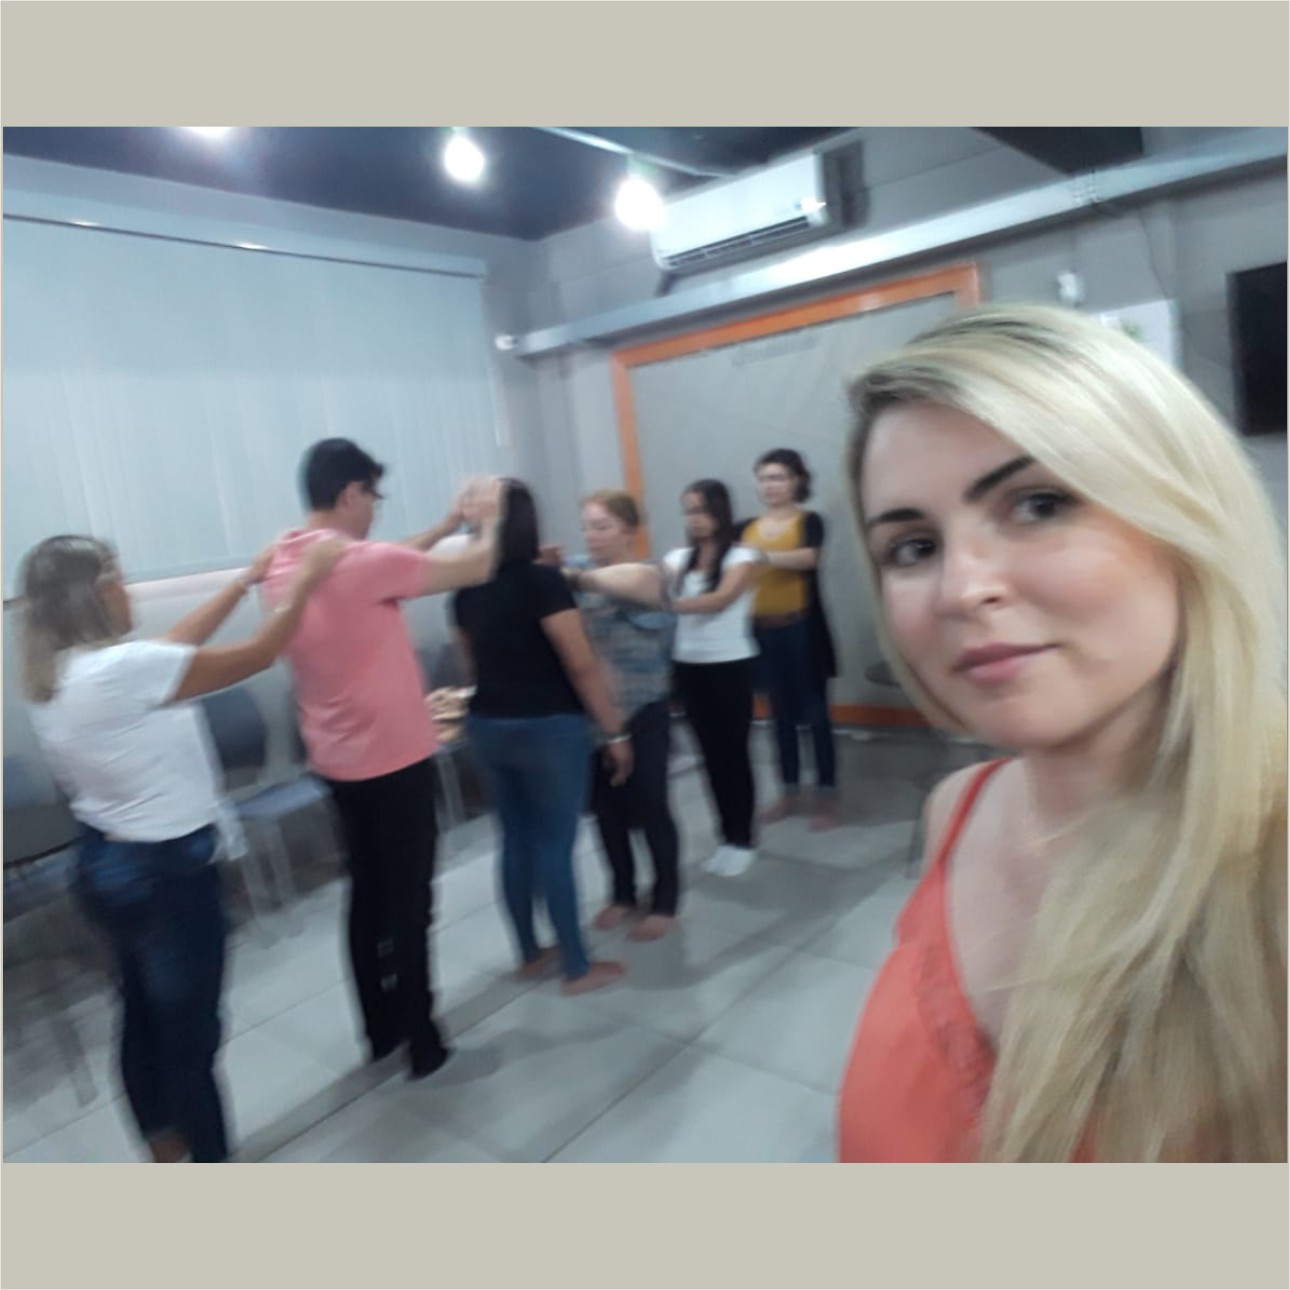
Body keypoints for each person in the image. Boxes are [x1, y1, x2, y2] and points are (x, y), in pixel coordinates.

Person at [837, 303, 1286, 1163]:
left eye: (1038, 504)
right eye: (913, 547)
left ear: (1185, 521)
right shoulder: (956, 809)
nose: (960, 590)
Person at [19, 532, 345, 1163]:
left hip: (106, 864)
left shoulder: (61, 674)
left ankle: (163, 1145)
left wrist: (245, 581)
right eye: (119, 577)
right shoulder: (122, 671)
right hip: (165, 874)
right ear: (95, 593)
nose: (129, 588)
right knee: (191, 1041)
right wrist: (308, 579)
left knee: (141, 1018)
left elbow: (173, 649)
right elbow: (259, 654)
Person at [261, 439, 502, 1081]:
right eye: (373, 496)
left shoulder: (285, 560)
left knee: (367, 896)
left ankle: (379, 1031)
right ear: (351, 493)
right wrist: (488, 517)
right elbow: (478, 565)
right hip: (393, 760)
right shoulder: (361, 563)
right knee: (409, 902)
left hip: (336, 762)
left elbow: (391, 563)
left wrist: (444, 526)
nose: (375, 509)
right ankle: (424, 1041)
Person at [452, 480, 632, 994]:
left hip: (488, 725)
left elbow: (470, 667)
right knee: (556, 844)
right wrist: (614, 730)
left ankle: (529, 954)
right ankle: (577, 966)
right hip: (549, 727)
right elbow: (581, 665)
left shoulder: (465, 590)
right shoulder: (543, 583)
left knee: (514, 840)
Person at [572, 479, 765, 878]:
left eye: (702, 510)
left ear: (720, 512)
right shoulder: (679, 558)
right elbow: (640, 576)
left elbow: (720, 599)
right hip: (688, 665)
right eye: (689, 511)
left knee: (733, 753)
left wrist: (663, 602)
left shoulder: (741, 555)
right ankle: (726, 836)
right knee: (709, 756)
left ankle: (742, 837)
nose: (695, 519)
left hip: (729, 663)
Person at [569, 490, 682, 941]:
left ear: (628, 530)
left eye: (602, 526)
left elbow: (640, 585)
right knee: (606, 809)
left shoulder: (649, 573)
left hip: (645, 708)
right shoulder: (576, 569)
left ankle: (666, 899)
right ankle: (622, 891)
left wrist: (571, 577)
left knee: (651, 803)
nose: (591, 535)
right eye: (587, 526)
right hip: (595, 713)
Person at [739, 448, 841, 830]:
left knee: (816, 714)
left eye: (779, 477)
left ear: (797, 481)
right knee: (778, 715)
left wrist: (759, 555)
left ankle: (827, 795)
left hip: (802, 630)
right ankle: (789, 791)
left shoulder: (809, 521)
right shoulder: (745, 527)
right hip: (760, 632)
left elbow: (808, 559)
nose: (771, 485)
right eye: (764, 478)